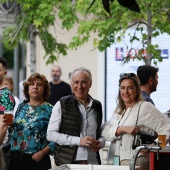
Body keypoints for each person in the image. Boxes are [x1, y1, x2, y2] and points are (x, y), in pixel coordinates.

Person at [101, 73, 170, 170]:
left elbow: (168, 128)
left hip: (137, 161)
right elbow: (104, 132)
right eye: (122, 88)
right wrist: (122, 129)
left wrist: (154, 145)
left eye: (130, 88)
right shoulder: (119, 110)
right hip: (117, 162)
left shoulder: (145, 107)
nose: (126, 92)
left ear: (137, 90)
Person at [47, 67, 105, 166]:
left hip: (92, 162)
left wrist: (101, 142)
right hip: (67, 162)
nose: (79, 86)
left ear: (90, 83)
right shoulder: (62, 104)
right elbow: (51, 134)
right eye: (76, 82)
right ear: (71, 84)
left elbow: (99, 132)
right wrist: (79, 141)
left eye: (84, 82)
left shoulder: (97, 105)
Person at [2, 73, 55, 170]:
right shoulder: (22, 106)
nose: (35, 87)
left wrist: (42, 153)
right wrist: (11, 123)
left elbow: (56, 139)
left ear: (44, 89)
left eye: (39, 85)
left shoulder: (50, 109)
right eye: (32, 84)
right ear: (27, 88)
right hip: (15, 159)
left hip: (37, 160)